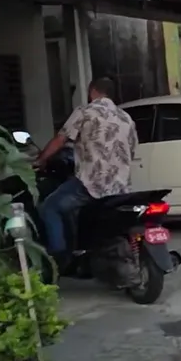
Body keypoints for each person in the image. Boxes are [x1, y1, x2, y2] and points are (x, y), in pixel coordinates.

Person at [33, 77, 137, 269]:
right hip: (121, 187)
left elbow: (61, 139)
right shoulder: (126, 118)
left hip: (91, 184)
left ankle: (58, 259)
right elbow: (131, 151)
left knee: (49, 208)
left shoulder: (85, 112)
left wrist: (41, 160)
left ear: (92, 91)